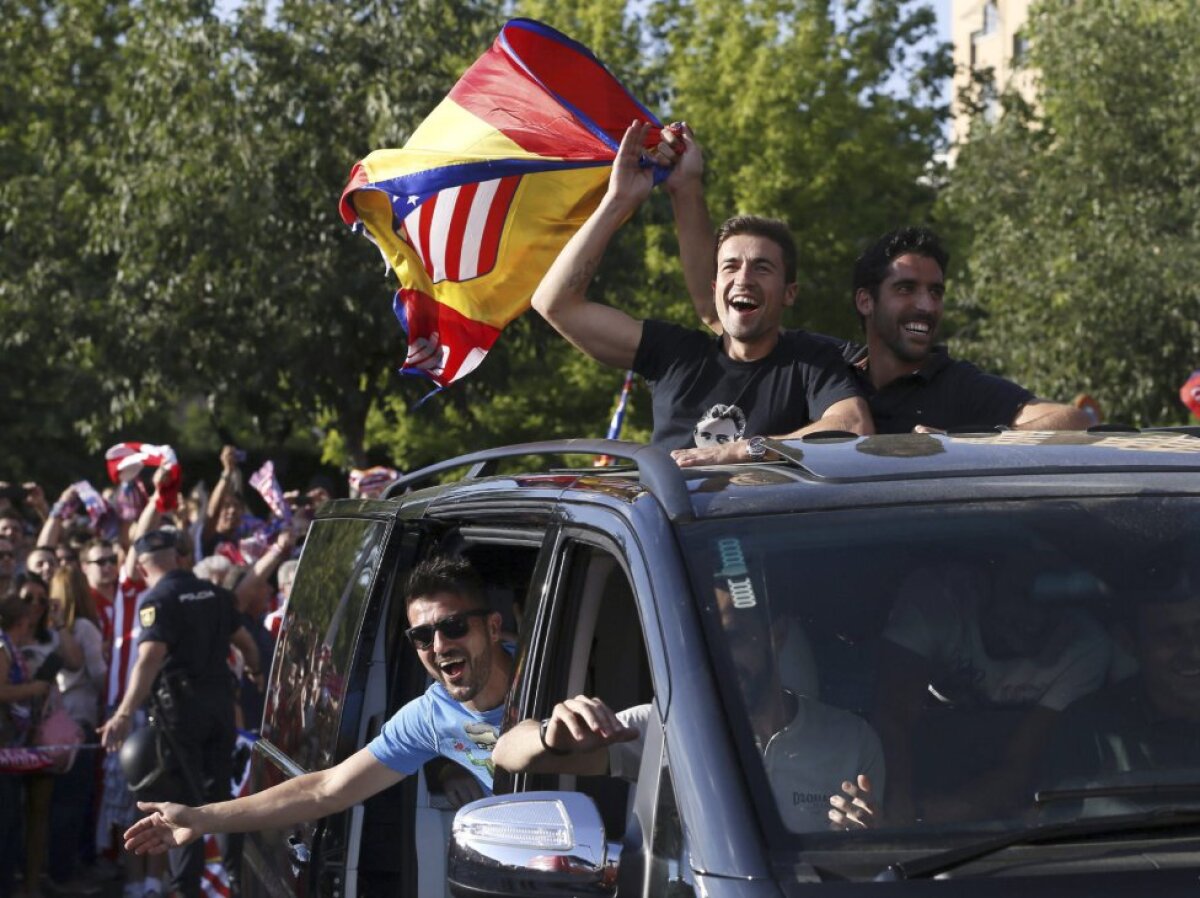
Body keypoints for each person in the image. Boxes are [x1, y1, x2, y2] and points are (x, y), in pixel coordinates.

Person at [121, 555, 514, 857]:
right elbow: (325, 789)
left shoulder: (554, 676)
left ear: (494, 627)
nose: (440, 646)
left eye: (455, 626)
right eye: (423, 635)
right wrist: (200, 817)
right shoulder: (430, 716)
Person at [530, 121, 872, 466]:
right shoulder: (675, 353)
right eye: (730, 266)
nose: (744, 278)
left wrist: (742, 449)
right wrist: (618, 200)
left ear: (790, 293)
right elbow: (555, 303)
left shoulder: (810, 362)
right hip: (666, 520)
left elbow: (854, 426)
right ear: (715, 287)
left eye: (762, 268)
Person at [493, 588, 882, 833]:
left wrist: (861, 841)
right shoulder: (668, 726)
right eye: (704, 642)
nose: (718, 659)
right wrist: (551, 735)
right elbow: (505, 753)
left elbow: (883, 865)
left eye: (732, 638)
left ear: (775, 638)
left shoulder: (851, 739)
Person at [873, 560, 1111, 824]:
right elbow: (894, 718)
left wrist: (922, 816)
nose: (1037, 617)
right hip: (922, 762)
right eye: (1021, 596)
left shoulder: (1086, 645)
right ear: (984, 585)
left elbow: (1021, 764)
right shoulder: (936, 600)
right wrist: (897, 807)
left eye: (1053, 600)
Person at [97, 528, 260, 898]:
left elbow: (149, 659)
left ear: (142, 567)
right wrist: (256, 672)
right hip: (221, 712)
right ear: (179, 558)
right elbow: (247, 645)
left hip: (181, 718)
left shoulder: (159, 599)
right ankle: (235, 881)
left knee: (183, 806)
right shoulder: (216, 595)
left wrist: (123, 713)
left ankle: (186, 890)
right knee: (221, 801)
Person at [1038, 574, 1200, 809]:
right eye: (1170, 635)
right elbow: (1061, 827)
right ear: (1128, 642)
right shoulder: (1088, 727)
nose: (1195, 652)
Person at [46, 566, 106, 890]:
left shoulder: (42, 629)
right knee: (72, 801)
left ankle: (52, 869)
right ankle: (65, 873)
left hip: (46, 726)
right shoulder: (83, 628)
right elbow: (98, 675)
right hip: (78, 723)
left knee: (50, 802)